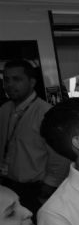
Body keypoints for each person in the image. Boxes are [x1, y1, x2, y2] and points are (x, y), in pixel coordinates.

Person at [0, 59, 69, 214]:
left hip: (34, 189)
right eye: (6, 80)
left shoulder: (45, 112)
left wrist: (49, 185)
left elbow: (60, 155)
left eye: (16, 79)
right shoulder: (5, 110)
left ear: (32, 82)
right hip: (8, 184)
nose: (10, 84)